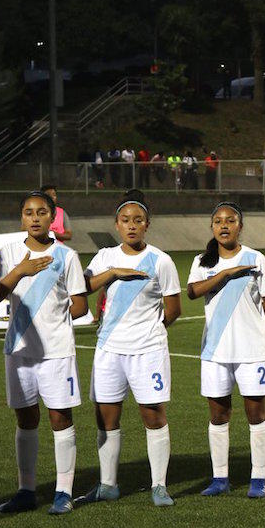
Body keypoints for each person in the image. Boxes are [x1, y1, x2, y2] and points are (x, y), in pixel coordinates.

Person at [77, 190, 182, 507]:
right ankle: (108, 484)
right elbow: (80, 288)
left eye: (138, 220)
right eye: (125, 220)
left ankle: (159, 486)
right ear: (117, 224)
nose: (131, 225)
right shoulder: (105, 257)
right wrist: (111, 274)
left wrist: (150, 332)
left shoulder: (161, 261)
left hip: (148, 350)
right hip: (109, 349)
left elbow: (173, 309)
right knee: (105, 416)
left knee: (153, 414)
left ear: (147, 224)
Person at [0, 191, 89, 515]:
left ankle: (63, 492)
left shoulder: (67, 256)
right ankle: (26, 490)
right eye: (29, 212)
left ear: (52, 218)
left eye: (42, 212)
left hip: (57, 352)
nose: (35, 217)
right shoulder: (7, 253)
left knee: (60, 417)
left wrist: (53, 321)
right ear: (21, 218)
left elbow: (80, 305)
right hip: (18, 350)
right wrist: (19, 272)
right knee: (26, 418)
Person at [187, 202, 265, 498]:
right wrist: (225, 275)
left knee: (256, 413)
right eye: (217, 221)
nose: (224, 225)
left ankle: (258, 478)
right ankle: (220, 478)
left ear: (240, 225)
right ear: (212, 227)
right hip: (215, 350)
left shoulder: (256, 259)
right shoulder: (203, 261)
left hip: (252, 350)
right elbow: (192, 291)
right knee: (218, 414)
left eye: (230, 220)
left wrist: (248, 321)